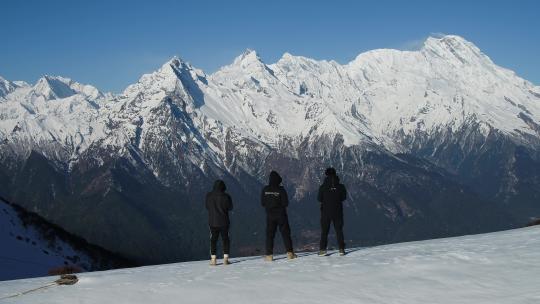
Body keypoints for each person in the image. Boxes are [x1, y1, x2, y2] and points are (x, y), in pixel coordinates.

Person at [261, 171, 297, 261]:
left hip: (270, 216)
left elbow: (262, 203)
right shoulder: (281, 189)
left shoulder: (265, 189)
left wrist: (270, 206)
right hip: (281, 215)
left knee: (269, 235)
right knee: (285, 234)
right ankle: (290, 253)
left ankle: (269, 255)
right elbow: (286, 203)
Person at [318, 167, 347, 256]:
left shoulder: (322, 187)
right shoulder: (341, 186)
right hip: (338, 211)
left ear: (326, 175)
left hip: (325, 212)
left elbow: (319, 199)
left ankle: (323, 250)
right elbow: (343, 197)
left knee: (324, 231)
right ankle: (341, 249)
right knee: (339, 230)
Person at [205, 179, 233, 266]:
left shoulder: (208, 196)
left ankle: (213, 259)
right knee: (225, 239)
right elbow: (230, 207)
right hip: (224, 221)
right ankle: (226, 259)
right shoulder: (226, 196)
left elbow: (207, 206)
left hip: (212, 221)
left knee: (213, 240)